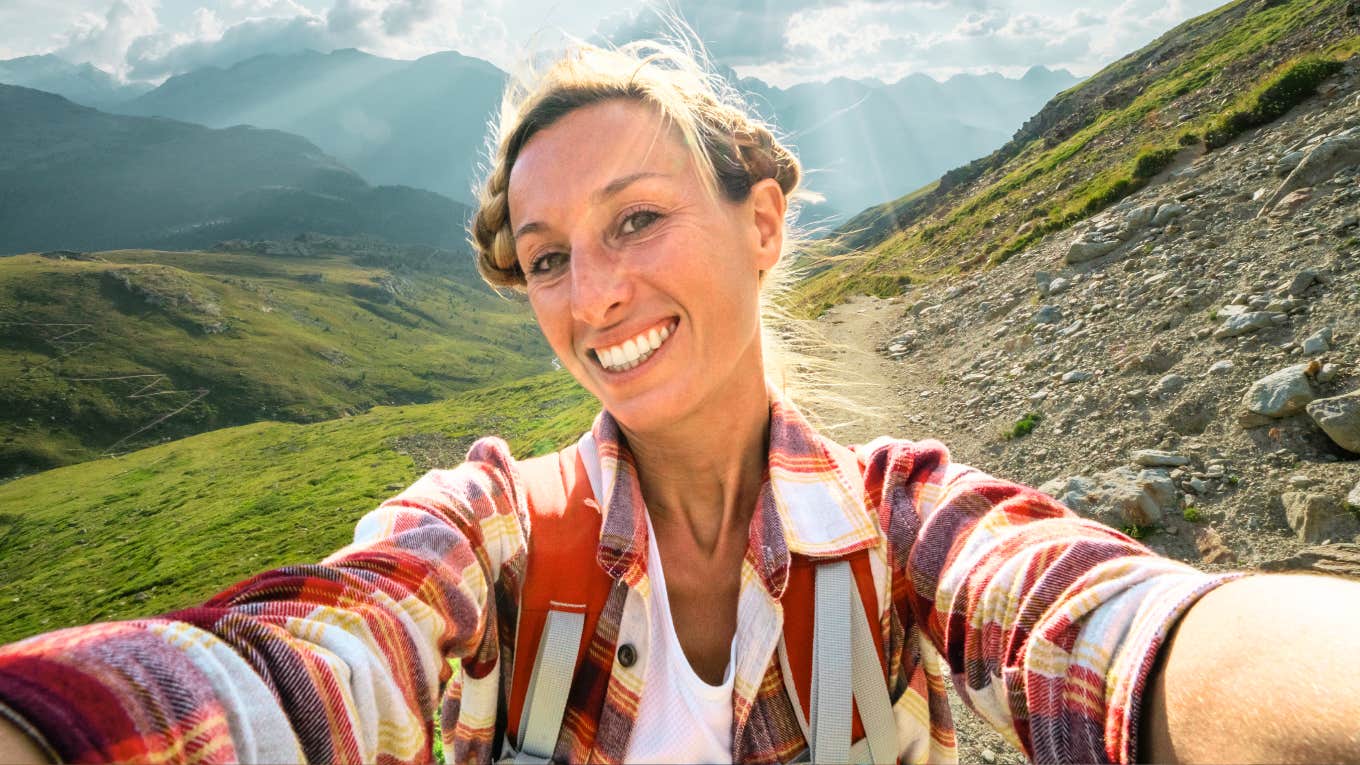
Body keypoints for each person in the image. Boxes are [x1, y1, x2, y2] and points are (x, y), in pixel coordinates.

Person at [2, 37, 1360, 765]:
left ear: (761, 222)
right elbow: (325, 658)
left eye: (637, 218)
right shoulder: (498, 529)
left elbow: (1111, 631)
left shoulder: (900, 523)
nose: (592, 292)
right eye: (547, 258)